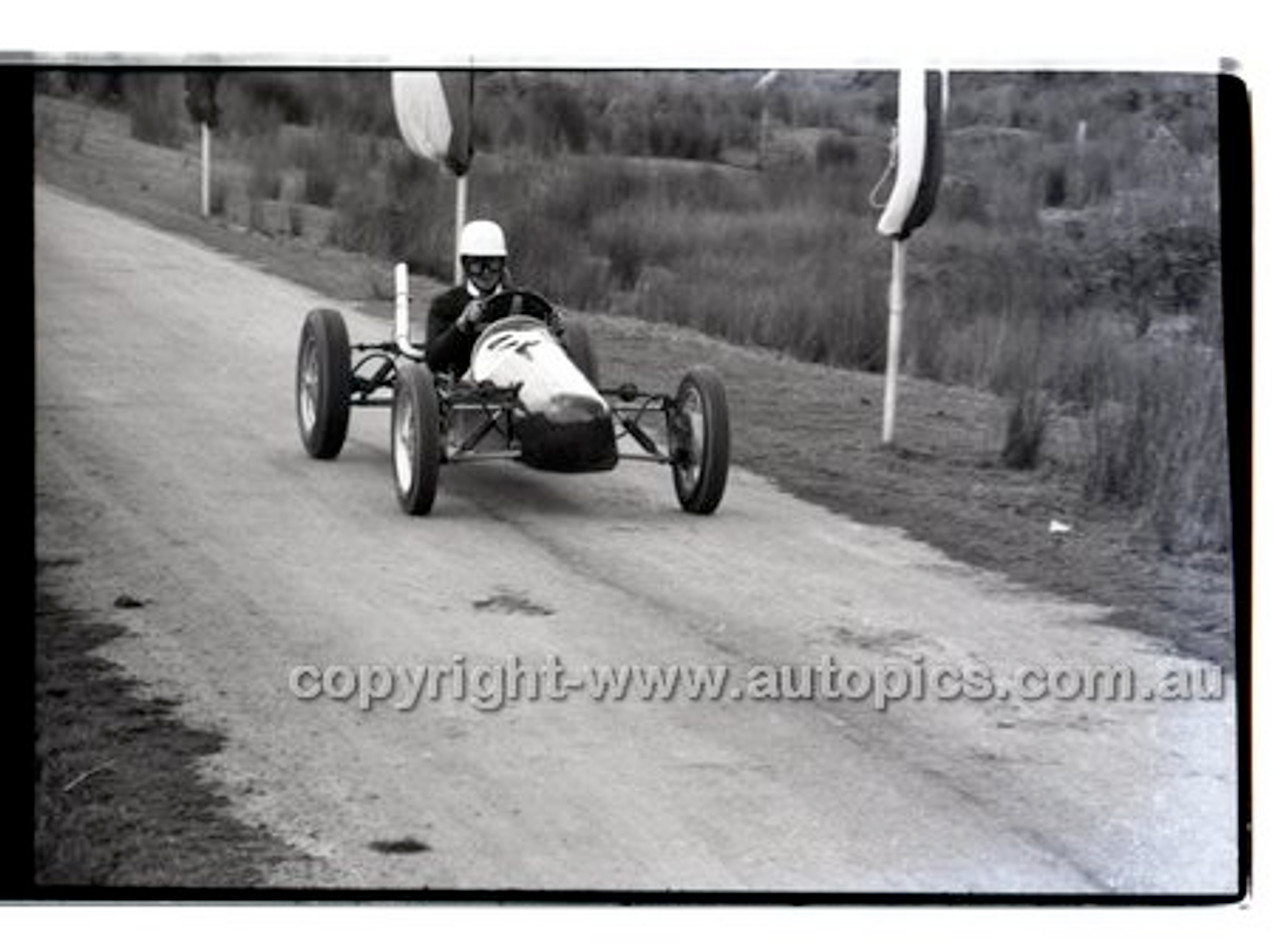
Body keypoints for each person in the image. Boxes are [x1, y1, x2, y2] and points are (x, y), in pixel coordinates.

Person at [424, 219, 516, 378]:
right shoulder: (445, 304)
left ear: (502, 264)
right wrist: (462, 325)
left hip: (519, 383)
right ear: (465, 265)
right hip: (465, 390)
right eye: (477, 265)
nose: (486, 273)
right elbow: (434, 360)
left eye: (493, 264)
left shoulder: (520, 302)